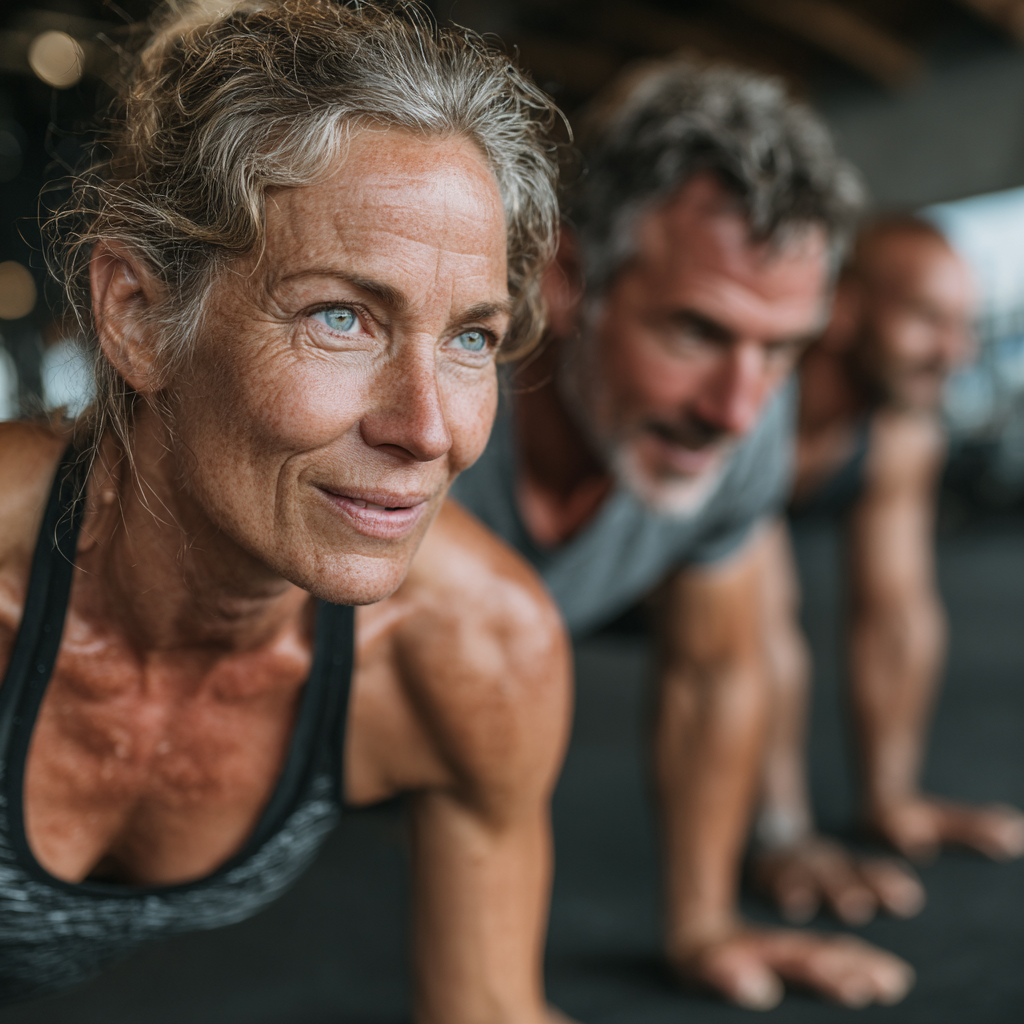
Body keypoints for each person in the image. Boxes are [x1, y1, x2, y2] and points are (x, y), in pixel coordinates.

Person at [0, 3, 574, 1021]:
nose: (427, 428)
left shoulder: (477, 648)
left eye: (472, 338)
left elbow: (490, 1009)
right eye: (341, 317)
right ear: (136, 315)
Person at [452, 58, 913, 1010]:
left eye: (783, 346)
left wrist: (703, 921)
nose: (738, 408)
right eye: (697, 332)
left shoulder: (746, 424)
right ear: (567, 280)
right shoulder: (440, 399)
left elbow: (715, 670)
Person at [750, 216, 1024, 927]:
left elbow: (894, 615)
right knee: (756, 600)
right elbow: (760, 630)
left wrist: (893, 800)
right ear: (843, 307)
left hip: (731, 567)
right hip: (606, 578)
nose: (955, 352)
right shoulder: (751, 398)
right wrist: (787, 837)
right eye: (929, 319)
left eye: (962, 325)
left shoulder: (900, 428)